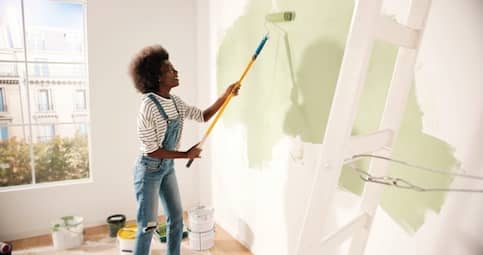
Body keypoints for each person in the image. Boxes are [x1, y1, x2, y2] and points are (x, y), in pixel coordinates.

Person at [129, 45, 239, 255]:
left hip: (167, 168)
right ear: (157, 77)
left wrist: (226, 95)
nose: (176, 72)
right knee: (148, 226)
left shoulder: (176, 102)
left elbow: (203, 116)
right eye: (170, 70)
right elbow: (152, 150)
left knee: (177, 219)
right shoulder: (148, 106)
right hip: (148, 171)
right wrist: (186, 154)